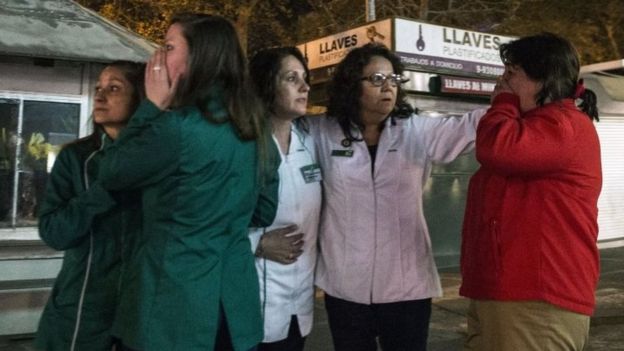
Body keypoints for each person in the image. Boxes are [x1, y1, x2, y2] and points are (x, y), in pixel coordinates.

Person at [97, 14, 278, 351]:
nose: (158, 57)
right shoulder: (256, 128)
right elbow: (264, 211)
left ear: (199, 58)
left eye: (168, 47)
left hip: (172, 312)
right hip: (236, 312)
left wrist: (150, 108)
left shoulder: (174, 127)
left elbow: (111, 172)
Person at [307, 42, 485, 351]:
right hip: (345, 288)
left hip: (408, 288)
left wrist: (527, 102)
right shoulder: (321, 133)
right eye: (376, 79)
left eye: (393, 79)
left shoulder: (415, 131)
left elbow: (472, 125)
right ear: (352, 85)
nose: (387, 87)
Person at [460, 32, 601, 351]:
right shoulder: (535, 127)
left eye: (511, 74)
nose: (501, 82)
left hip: (536, 300)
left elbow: (497, 148)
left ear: (544, 79)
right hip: (504, 293)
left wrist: (504, 103)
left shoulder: (564, 125)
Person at [35, 60, 145, 351]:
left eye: (114, 88)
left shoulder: (158, 161)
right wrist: (103, 189)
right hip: (82, 307)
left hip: (140, 310)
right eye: (98, 87)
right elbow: (54, 232)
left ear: (141, 97)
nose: (100, 95)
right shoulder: (76, 158)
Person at [248, 47, 322, 351]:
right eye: (292, 78)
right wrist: (258, 243)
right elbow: (208, 221)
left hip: (300, 304)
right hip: (254, 303)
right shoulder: (244, 145)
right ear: (266, 85)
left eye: (305, 78)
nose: (305, 87)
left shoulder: (311, 143)